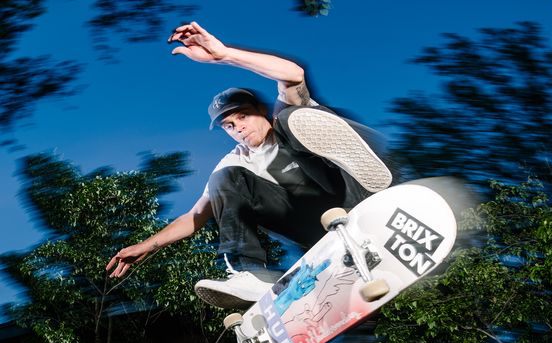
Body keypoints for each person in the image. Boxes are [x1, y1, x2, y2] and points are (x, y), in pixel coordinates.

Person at [106, 22, 392, 308]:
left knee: (295, 119)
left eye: (243, 117)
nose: (238, 128)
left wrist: (224, 55)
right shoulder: (235, 163)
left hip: (344, 194)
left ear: (261, 111)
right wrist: (145, 246)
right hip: (314, 229)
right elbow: (194, 217)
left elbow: (294, 75)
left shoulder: (284, 120)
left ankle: (363, 187)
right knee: (224, 178)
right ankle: (249, 274)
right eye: (229, 125)